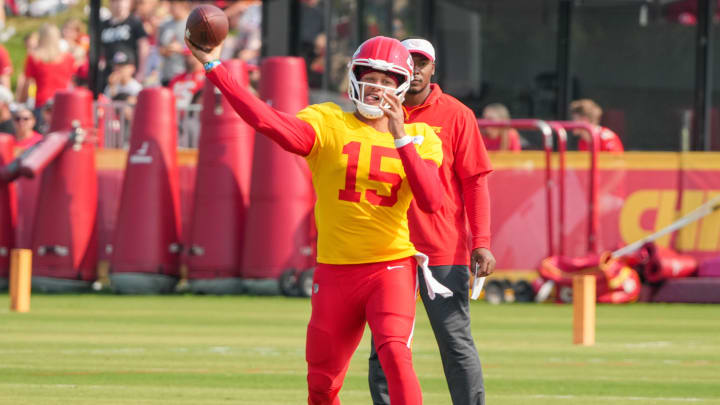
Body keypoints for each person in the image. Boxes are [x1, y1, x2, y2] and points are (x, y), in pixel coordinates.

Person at [187, 34, 450, 404]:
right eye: (369, 76)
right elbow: (267, 122)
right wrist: (216, 69)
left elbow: (432, 201)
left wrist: (401, 137)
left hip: (390, 267)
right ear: (354, 77)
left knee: (395, 354)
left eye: (386, 80)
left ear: (403, 85)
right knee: (322, 384)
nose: (376, 87)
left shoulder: (422, 136)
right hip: (335, 271)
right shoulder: (327, 120)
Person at [368, 37, 495, 405]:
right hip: (388, 249)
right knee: (386, 350)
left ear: (433, 68)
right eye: (410, 62)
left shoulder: (457, 115)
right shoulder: (373, 111)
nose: (417, 69)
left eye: (422, 62)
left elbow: (475, 183)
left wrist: (481, 241)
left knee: (455, 344)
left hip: (443, 250)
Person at [18, 24, 76, 125]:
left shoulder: (34, 58)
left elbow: (27, 84)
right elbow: (72, 82)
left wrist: (21, 100)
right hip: (62, 103)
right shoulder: (68, 58)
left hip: (42, 102)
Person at [100, 0, 149, 90]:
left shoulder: (135, 23)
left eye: (123, 1)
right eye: (116, 1)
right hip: (109, 76)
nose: (120, 5)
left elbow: (143, 46)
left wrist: (141, 72)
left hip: (130, 76)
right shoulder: (104, 25)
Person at [157, 0, 190, 86]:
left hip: (184, 74)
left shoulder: (191, 23)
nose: (171, 7)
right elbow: (159, 47)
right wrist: (164, 50)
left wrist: (181, 49)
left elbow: (200, 49)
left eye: (174, 4)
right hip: (166, 74)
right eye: (170, 4)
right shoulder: (165, 24)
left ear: (183, 4)